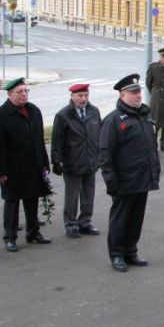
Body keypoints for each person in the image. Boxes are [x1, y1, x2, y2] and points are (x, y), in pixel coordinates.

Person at [100, 74, 161, 272]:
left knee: (136, 218)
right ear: (122, 95)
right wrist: (111, 181)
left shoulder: (145, 116)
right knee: (120, 220)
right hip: (123, 181)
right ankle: (117, 254)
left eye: (139, 92)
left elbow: (151, 147)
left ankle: (130, 251)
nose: (138, 96)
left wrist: (154, 172)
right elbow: (105, 154)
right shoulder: (114, 120)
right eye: (133, 93)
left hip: (142, 179)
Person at [0, 78, 52, 252]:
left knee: (32, 200)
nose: (24, 94)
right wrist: (1, 171)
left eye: (26, 91)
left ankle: (33, 233)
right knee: (12, 203)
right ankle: (10, 237)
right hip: (13, 169)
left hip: (33, 166)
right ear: (10, 94)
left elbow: (40, 141)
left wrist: (44, 164)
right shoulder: (0, 116)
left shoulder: (34, 111)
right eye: (20, 92)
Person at [51, 83, 102, 238]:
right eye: (80, 96)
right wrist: (56, 161)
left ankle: (85, 222)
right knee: (72, 196)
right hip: (73, 161)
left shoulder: (94, 112)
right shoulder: (63, 115)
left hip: (91, 160)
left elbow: (99, 135)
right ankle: (71, 224)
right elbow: (57, 140)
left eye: (86, 95)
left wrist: (100, 156)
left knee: (89, 194)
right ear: (72, 96)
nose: (83, 99)